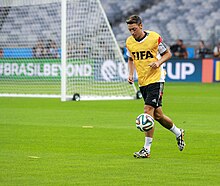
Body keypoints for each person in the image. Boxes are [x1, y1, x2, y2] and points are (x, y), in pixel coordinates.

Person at [125, 15, 185, 158]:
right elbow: (130, 58)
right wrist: (130, 74)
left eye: (134, 29)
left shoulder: (154, 38)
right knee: (158, 115)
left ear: (141, 26)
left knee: (148, 110)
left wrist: (158, 63)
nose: (132, 32)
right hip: (143, 81)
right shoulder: (129, 42)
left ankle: (146, 149)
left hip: (156, 79)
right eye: (129, 30)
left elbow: (167, 54)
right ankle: (178, 132)